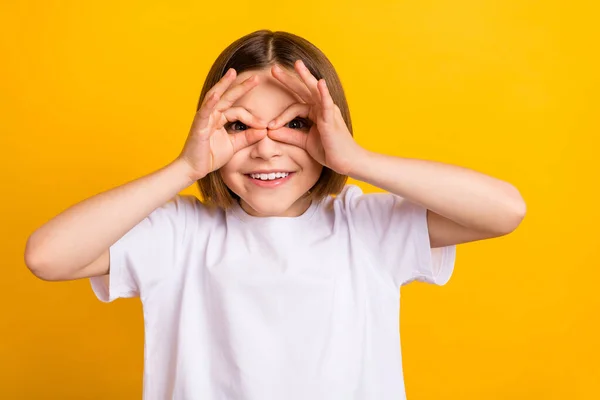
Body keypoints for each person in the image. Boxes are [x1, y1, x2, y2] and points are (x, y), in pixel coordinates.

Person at [24, 30, 526, 399]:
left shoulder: (365, 227)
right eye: (241, 127)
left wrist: (357, 161)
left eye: (296, 124)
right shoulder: (180, 232)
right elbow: (47, 256)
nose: (266, 150)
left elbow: (504, 211)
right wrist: (184, 168)